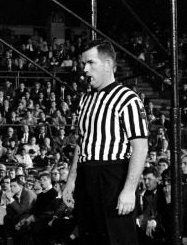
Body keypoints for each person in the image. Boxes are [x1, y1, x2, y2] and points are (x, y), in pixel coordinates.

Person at [62, 40, 149, 245]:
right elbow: (82, 141)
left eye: (90, 63)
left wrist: (129, 190)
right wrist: (71, 180)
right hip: (86, 175)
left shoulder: (128, 99)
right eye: (83, 63)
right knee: (89, 237)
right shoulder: (85, 99)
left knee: (118, 238)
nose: (84, 69)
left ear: (108, 64)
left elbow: (140, 147)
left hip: (113, 176)